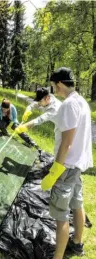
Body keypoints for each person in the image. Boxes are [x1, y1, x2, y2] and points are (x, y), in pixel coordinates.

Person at [42, 67, 93, 259]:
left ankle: (58, 257)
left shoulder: (69, 105)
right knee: (77, 204)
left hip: (66, 167)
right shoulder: (82, 102)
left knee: (61, 214)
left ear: (60, 84)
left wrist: (55, 170)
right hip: (76, 166)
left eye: (54, 86)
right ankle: (77, 243)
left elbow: (67, 142)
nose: (54, 90)